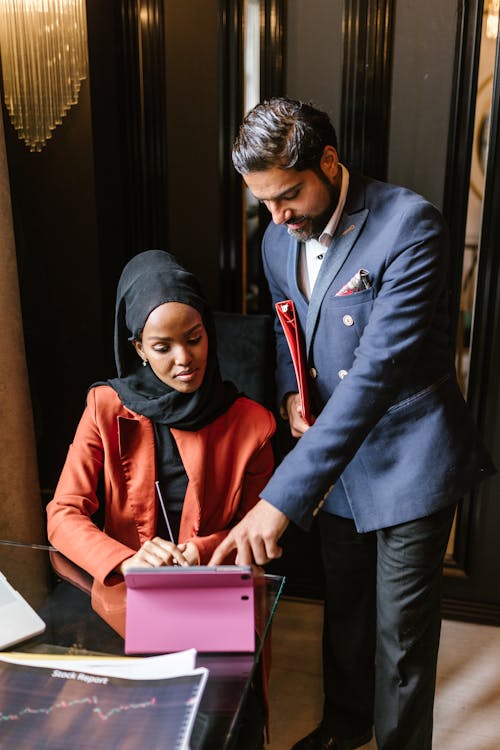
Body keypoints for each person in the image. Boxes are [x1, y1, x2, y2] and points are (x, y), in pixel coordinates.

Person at [210, 98, 496, 750]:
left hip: (409, 455)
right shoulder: (276, 240)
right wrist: (289, 392)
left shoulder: (410, 226)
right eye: (263, 203)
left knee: (402, 635)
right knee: (346, 611)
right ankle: (345, 724)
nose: (278, 217)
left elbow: (374, 379)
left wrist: (280, 497)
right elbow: (287, 329)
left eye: (287, 196)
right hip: (333, 461)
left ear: (329, 161)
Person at [47, 249, 276, 635]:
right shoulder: (105, 407)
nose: (184, 359)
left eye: (194, 338)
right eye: (162, 347)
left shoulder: (252, 423)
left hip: (216, 599)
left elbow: (258, 528)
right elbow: (63, 514)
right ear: (138, 348)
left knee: (214, 694)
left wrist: (200, 551)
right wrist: (125, 560)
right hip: (126, 605)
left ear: (209, 332)